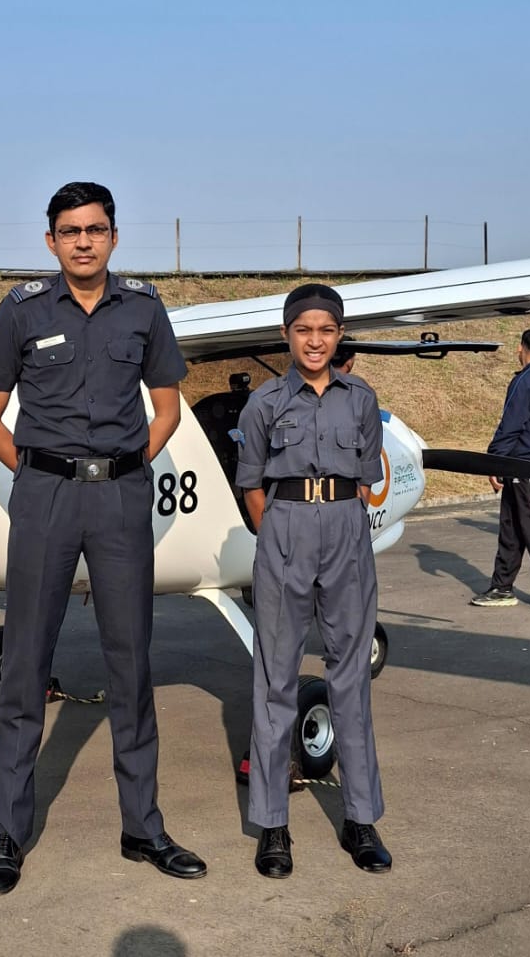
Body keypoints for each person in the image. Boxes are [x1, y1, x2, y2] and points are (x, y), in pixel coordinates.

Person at [0, 181, 206, 896]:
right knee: (25, 666)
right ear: (51, 241)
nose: (83, 241)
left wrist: (131, 464)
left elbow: (167, 407)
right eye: (70, 231)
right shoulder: (21, 311)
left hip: (120, 499)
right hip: (45, 497)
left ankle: (144, 827)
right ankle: (7, 833)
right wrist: (34, 472)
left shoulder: (144, 309)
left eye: (95, 229)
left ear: (113, 237)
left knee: (131, 663)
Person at [234, 283, 390, 879]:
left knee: (351, 676)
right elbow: (253, 485)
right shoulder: (264, 403)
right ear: (286, 335)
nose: (315, 341)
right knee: (275, 679)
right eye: (303, 330)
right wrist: (280, 533)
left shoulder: (361, 400)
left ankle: (360, 818)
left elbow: (369, 477)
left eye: (326, 330)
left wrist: (339, 522)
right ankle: (273, 824)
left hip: (347, 531)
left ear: (340, 335)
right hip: (285, 532)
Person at [470, 328, 530, 610]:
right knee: (511, 528)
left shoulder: (527, 380)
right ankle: (502, 587)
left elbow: (511, 423)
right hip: (519, 462)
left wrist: (494, 459)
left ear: (521, 348)